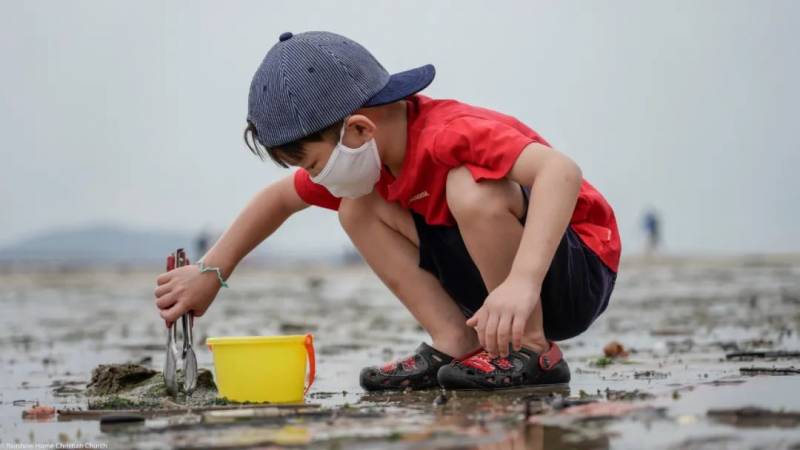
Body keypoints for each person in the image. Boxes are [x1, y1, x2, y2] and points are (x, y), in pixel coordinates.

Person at [154, 31, 621, 391]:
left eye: (315, 165)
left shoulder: (449, 132)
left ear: (358, 129)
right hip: (493, 303)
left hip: (570, 272)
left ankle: (534, 350)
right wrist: (210, 271)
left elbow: (561, 171)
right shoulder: (373, 164)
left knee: (469, 188)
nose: (315, 180)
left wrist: (523, 281)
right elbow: (279, 199)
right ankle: (455, 341)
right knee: (355, 210)